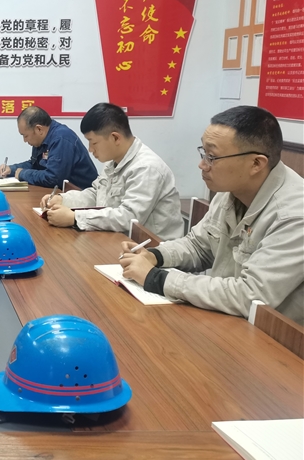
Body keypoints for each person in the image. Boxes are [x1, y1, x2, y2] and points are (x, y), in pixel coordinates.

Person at [120, 106, 304, 324]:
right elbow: (198, 246)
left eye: (212, 157)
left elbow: (250, 295)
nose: (202, 165)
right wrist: (155, 256)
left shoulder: (293, 215)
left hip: (271, 337)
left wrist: (156, 278)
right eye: (203, 153)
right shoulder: (232, 190)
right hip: (225, 319)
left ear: (256, 163)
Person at [41, 103, 184, 240]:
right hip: (118, 239)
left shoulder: (147, 168)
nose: (90, 149)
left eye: (93, 142)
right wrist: (64, 199)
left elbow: (129, 217)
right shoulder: (113, 161)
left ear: (115, 137)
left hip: (150, 249)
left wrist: (75, 218)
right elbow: (96, 193)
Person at [0, 106, 98, 189]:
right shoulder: (42, 138)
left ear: (39, 129)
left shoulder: (61, 138)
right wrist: (12, 169)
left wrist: (23, 174)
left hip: (83, 196)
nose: (25, 140)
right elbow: (35, 164)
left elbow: (54, 178)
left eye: (25, 136)